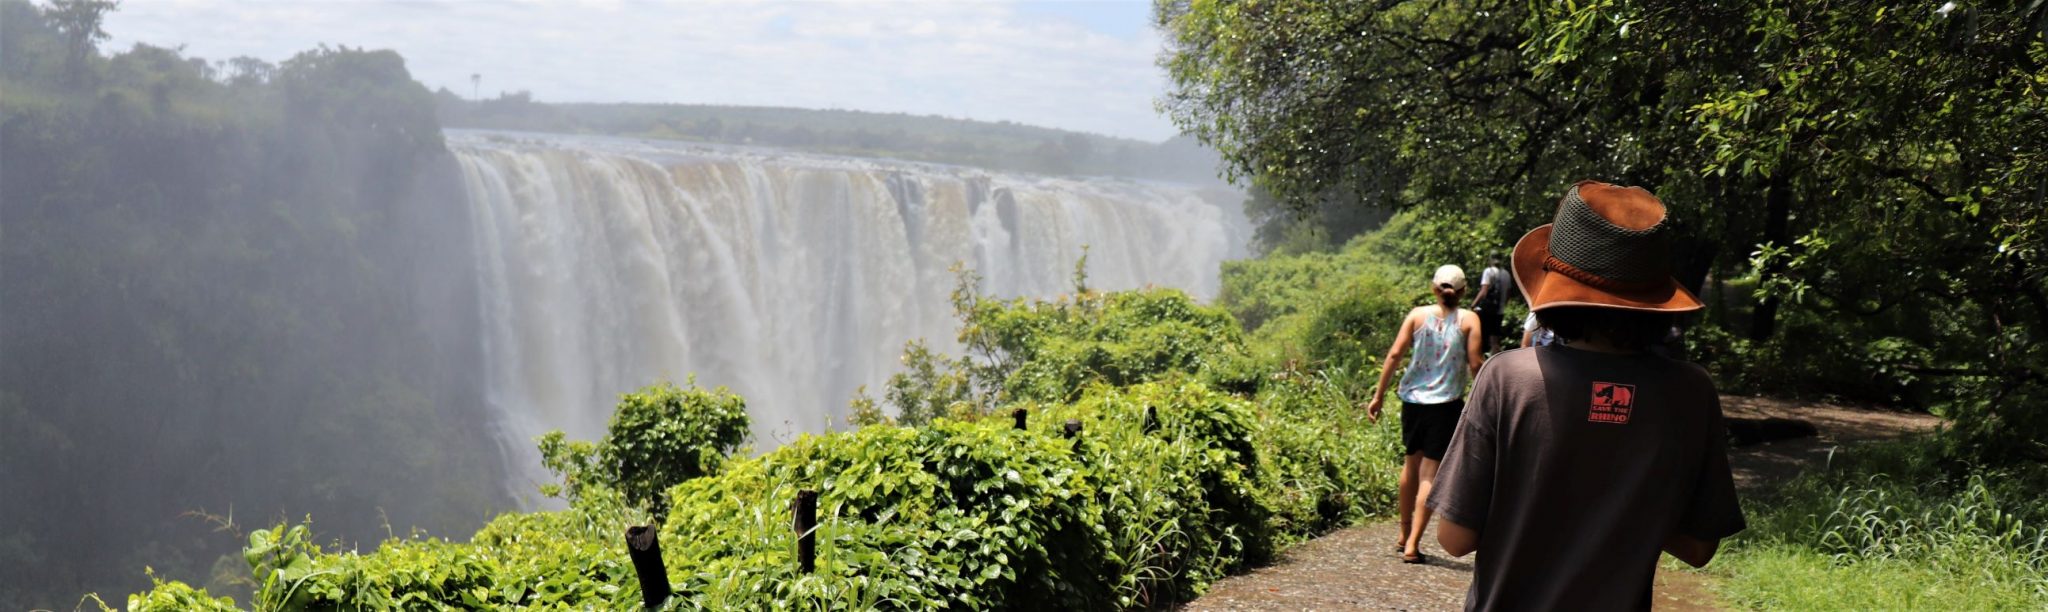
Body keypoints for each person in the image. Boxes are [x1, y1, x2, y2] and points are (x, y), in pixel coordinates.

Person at [1428, 181, 1746, 610]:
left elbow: (1454, 538)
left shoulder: (1507, 378)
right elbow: (1698, 547)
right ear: (1655, 296)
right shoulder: (1690, 392)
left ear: (1553, 289)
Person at [1362, 264, 1484, 564]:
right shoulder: (1469, 320)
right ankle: (1413, 544)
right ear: (1464, 291)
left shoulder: (1417, 315)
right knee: (1430, 473)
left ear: (1434, 288)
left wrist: (1378, 396)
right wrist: (1482, 403)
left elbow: (1394, 355)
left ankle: (1404, 535)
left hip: (1412, 402)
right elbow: (1476, 364)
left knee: (1410, 465)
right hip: (1446, 405)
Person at [1470, 255, 1511, 352]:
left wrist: (1473, 304)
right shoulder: (1506, 274)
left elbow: (1484, 291)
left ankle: (1480, 361)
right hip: (1499, 311)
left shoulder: (1488, 271)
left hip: (1487, 311)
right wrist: (1502, 305)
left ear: (1491, 261)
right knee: (1495, 339)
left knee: (1482, 337)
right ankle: (1496, 363)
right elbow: (1508, 294)